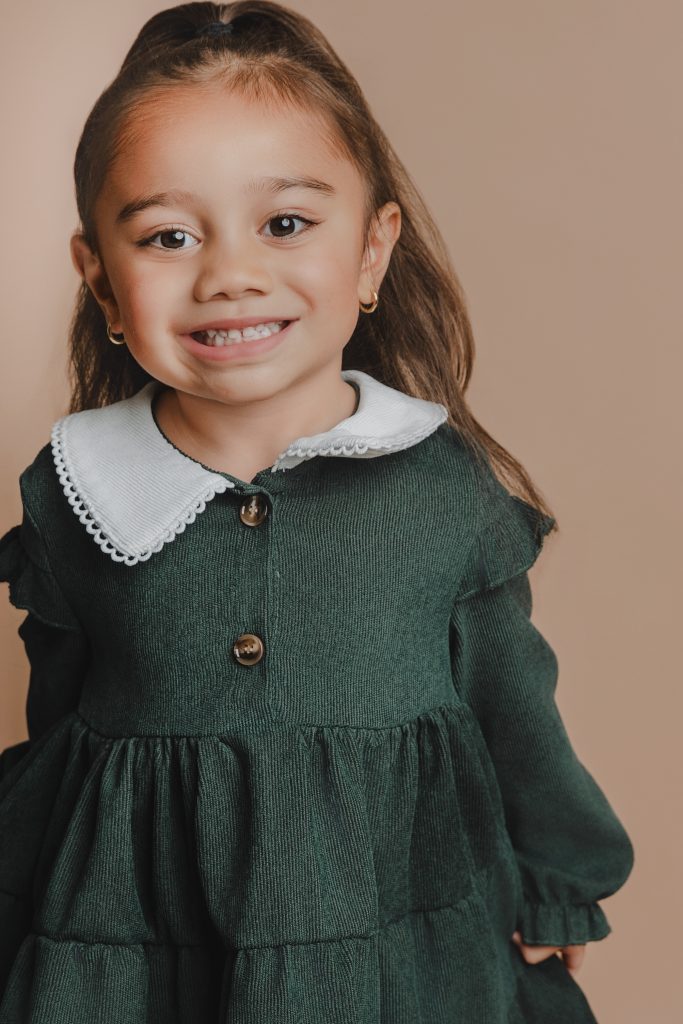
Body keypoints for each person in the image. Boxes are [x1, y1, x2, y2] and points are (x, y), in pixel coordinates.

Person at [0, 2, 634, 1020]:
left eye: (285, 224)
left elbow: (515, 707)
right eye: (168, 236)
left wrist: (561, 875)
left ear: (373, 250)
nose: (229, 275)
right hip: (143, 953)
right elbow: (60, 731)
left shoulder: (441, 491)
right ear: (102, 284)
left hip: (398, 944)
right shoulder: (78, 496)